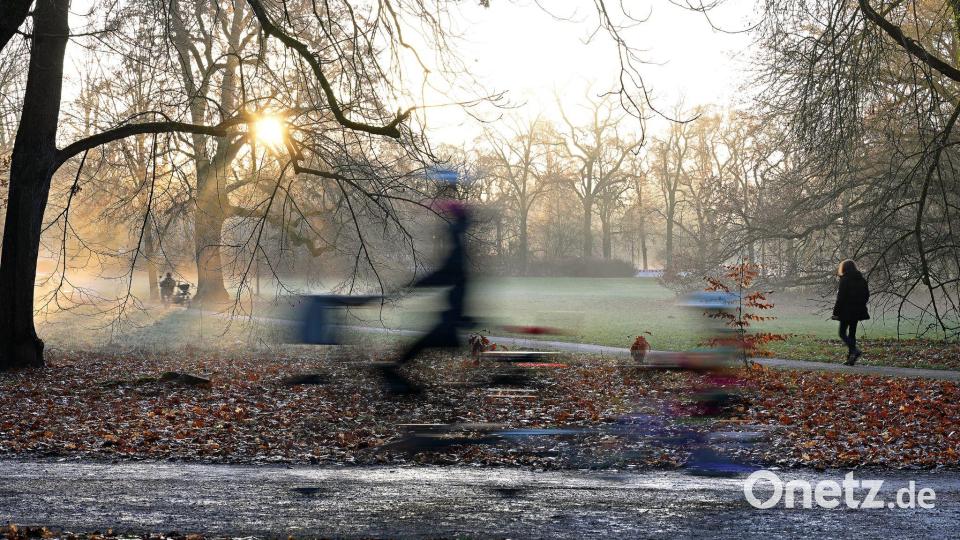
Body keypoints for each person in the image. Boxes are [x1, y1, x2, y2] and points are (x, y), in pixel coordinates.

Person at [379, 200, 472, 395]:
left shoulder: (456, 255)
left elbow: (442, 276)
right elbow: (443, 276)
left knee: (422, 344)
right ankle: (396, 372)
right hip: (452, 319)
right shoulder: (459, 252)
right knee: (422, 345)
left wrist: (410, 287)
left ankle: (396, 374)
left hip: (451, 322)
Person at [832, 259, 870, 366]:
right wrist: (860, 304)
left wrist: (836, 312)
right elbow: (866, 295)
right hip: (857, 311)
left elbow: (841, 298)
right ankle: (851, 359)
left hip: (846, 311)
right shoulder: (861, 280)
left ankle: (854, 351)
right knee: (852, 333)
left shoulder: (845, 280)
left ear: (844, 268)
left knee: (842, 333)